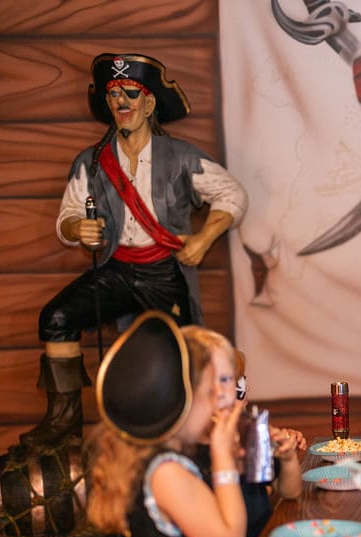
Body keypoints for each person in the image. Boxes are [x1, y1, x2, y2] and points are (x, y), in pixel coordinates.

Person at [22, 52, 248, 451]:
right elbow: (68, 217)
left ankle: (188, 434)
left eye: (130, 93)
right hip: (118, 269)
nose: (121, 102)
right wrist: (78, 228)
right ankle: (63, 423)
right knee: (56, 318)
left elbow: (233, 194)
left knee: (184, 351)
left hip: (164, 271)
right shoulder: (92, 162)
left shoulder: (180, 156)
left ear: (149, 102)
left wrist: (202, 239)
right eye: (113, 95)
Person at [87, 311, 247, 537]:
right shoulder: (166, 472)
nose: (218, 398)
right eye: (209, 391)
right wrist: (223, 458)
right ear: (182, 402)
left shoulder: (161, 460)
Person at [189, 341, 306, 537]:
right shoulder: (190, 457)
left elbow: (290, 491)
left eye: (240, 387)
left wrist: (288, 459)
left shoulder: (249, 438)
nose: (237, 399)